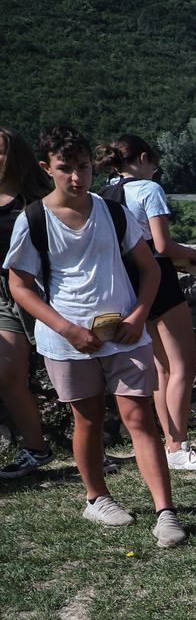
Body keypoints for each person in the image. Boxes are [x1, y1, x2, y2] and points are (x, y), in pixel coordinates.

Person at [5, 125, 186, 547]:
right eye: (65, 168)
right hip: (66, 340)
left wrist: (138, 316)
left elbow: (150, 268)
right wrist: (68, 330)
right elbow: (19, 286)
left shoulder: (113, 211)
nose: (76, 177)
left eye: (83, 167)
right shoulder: (33, 220)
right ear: (46, 168)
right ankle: (97, 498)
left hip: (125, 332)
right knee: (87, 420)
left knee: (140, 418)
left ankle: (165, 512)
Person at [96, 135, 196, 472]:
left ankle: (170, 442)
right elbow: (162, 245)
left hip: (126, 279)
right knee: (183, 364)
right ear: (144, 158)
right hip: (158, 276)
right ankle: (178, 446)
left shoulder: (105, 193)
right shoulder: (149, 189)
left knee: (160, 368)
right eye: (155, 163)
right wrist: (195, 255)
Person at [0, 127, 54, 478]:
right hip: (4, 297)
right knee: (7, 376)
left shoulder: (38, 201)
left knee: (68, 372)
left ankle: (93, 449)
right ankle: (36, 449)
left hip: (44, 292)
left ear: (15, 156)